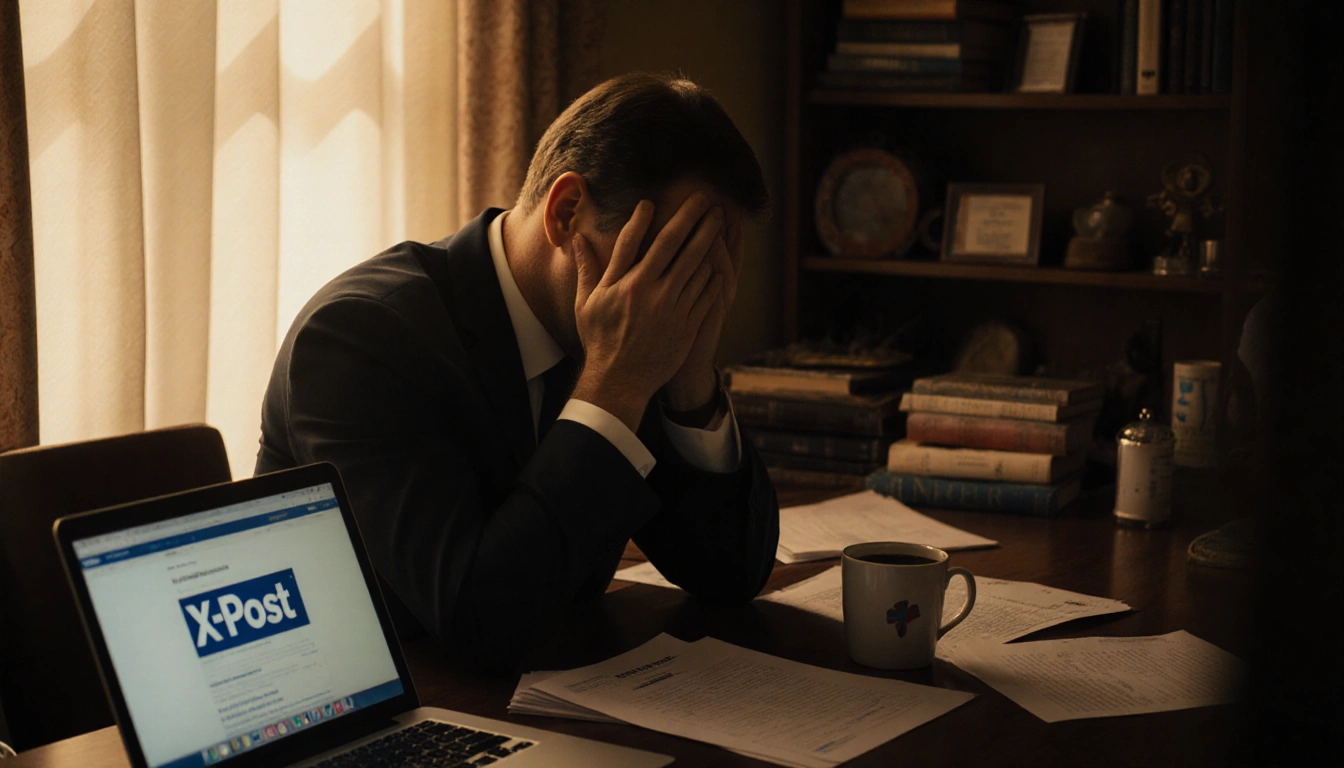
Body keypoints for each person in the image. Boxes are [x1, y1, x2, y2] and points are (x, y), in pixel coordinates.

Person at [255, 72, 780, 672]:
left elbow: (730, 575)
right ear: (567, 212)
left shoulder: (638, 324)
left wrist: (691, 382)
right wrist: (615, 386)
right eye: (676, 257)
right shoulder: (360, 337)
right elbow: (480, 621)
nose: (691, 291)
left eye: (712, 264)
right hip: (379, 707)